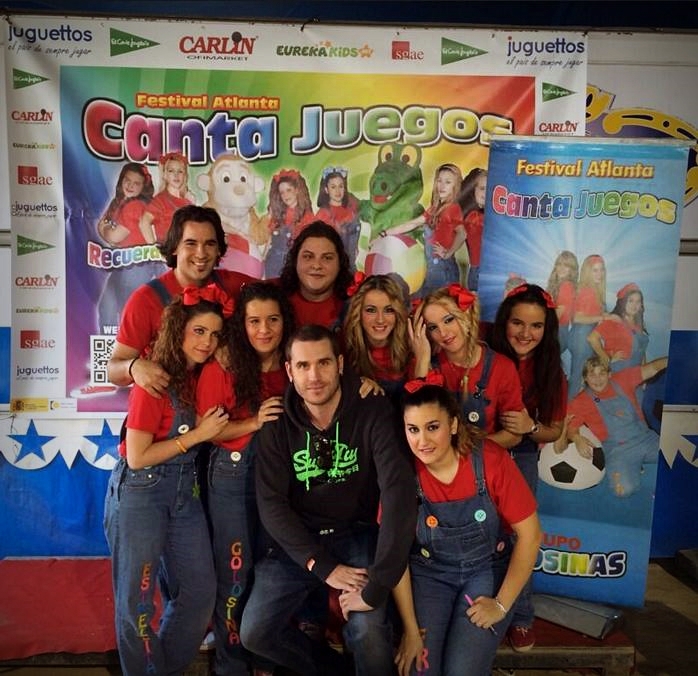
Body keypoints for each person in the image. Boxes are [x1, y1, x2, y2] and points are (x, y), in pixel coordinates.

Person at [240, 324, 416, 675]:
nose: (314, 376)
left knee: (369, 632)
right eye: (303, 366)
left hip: (356, 534)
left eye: (323, 363)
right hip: (299, 542)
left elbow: (399, 494)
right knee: (255, 632)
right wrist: (322, 566)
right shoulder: (276, 421)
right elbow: (272, 505)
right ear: (289, 370)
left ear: (340, 363)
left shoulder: (372, 408)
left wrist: (378, 586)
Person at [103, 286, 231, 675]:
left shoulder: (201, 377)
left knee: (200, 592)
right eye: (199, 331)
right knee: (138, 605)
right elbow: (138, 456)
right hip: (141, 493)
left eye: (214, 334)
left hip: (185, 492)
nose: (207, 342)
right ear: (178, 330)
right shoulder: (154, 378)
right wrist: (197, 436)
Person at [392, 380, 542, 676]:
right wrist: (409, 629)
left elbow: (531, 535)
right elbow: (393, 554)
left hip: (485, 571)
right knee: (420, 669)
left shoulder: (490, 460)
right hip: (429, 574)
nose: (423, 441)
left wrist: (500, 605)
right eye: (413, 429)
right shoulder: (401, 473)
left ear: (453, 424)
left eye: (432, 427)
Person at [196, 282, 295, 676]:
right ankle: (232, 667)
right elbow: (207, 430)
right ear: (242, 324)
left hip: (284, 480)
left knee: (274, 573)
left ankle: (266, 663)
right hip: (233, 476)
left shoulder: (296, 360)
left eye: (273, 320)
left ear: (285, 322)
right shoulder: (224, 363)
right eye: (254, 321)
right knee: (235, 575)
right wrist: (255, 421)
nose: (264, 330)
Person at [489, 283, 568, 651]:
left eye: (535, 326)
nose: (525, 333)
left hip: (519, 454)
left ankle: (520, 616)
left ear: (546, 329)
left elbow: (554, 429)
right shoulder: (485, 353)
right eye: (517, 323)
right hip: (477, 450)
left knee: (521, 536)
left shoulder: (551, 371)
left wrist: (530, 427)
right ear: (504, 322)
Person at [107, 204, 253, 398]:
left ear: (219, 249)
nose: (201, 253)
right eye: (191, 243)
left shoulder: (235, 285)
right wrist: (133, 367)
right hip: (167, 410)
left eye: (210, 244)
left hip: (220, 409)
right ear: (175, 247)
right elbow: (113, 370)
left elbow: (284, 291)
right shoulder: (146, 300)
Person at [411, 284, 524, 449]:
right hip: (436, 459)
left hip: (484, 459)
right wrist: (422, 361)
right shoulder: (424, 365)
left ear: (466, 316)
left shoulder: (502, 367)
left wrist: (468, 448)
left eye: (449, 320)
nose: (443, 333)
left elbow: (514, 435)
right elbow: (417, 423)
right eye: (433, 327)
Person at [561, 355, 667, 498]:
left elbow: (653, 367)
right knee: (623, 491)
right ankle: (633, 466)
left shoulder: (623, 379)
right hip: (618, 451)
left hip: (646, 439)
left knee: (685, 456)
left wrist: (676, 358)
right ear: (585, 378)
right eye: (592, 375)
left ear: (609, 374)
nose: (597, 379)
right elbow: (570, 428)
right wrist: (576, 438)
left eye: (602, 373)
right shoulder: (579, 402)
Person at [384, 163, 465, 297]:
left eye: (448, 182)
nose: (442, 185)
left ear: (455, 186)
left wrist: (448, 253)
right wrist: (385, 233)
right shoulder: (435, 209)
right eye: (439, 180)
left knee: (429, 302)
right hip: (433, 269)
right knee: (419, 301)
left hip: (442, 269)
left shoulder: (452, 208)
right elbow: (414, 223)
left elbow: (462, 233)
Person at [343, 273, 412, 401]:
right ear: (358, 312)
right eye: (371, 310)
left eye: (388, 310)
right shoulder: (345, 347)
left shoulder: (411, 345)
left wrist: (423, 359)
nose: (380, 320)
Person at [279, 220, 353, 333]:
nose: (317, 266)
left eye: (327, 258)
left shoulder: (355, 305)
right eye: (308, 257)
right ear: (295, 260)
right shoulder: (272, 293)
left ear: (340, 263)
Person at [568, 254, 609, 398]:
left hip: (583, 336)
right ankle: (571, 409)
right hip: (582, 337)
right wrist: (601, 317)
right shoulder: (587, 291)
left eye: (602, 270)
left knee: (582, 378)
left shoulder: (593, 290)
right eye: (595, 270)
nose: (600, 274)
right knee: (579, 379)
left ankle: (576, 408)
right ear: (587, 272)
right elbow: (576, 317)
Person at [264, 169, 315, 279]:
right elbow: (269, 241)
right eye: (282, 192)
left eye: (288, 190)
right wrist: (262, 260)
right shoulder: (278, 216)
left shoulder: (308, 217)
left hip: (293, 267)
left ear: (297, 190)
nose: (285, 195)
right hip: (272, 264)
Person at [587, 282, 648, 373]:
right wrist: (607, 358)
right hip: (619, 370)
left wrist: (645, 372)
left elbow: (642, 352)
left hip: (636, 372)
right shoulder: (614, 321)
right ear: (623, 302)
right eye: (630, 301)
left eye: (638, 301)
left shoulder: (638, 325)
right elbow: (592, 338)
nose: (634, 305)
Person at [139, 152, 194, 245]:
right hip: (168, 249)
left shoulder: (188, 202)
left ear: (185, 175)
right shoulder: (160, 200)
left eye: (180, 171)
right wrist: (154, 248)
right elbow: (144, 222)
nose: (176, 175)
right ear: (165, 175)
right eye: (171, 171)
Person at [315, 166, 361, 269]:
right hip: (332, 267)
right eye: (333, 187)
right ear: (326, 189)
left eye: (341, 186)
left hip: (350, 265)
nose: (338, 191)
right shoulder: (322, 215)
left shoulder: (352, 209)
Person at [457, 167, 487, 291]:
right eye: (482, 188)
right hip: (479, 271)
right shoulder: (473, 217)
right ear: (474, 190)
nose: (486, 193)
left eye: (491, 189)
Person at [546, 250, 579, 360]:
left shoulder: (566, 286)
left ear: (572, 270)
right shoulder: (556, 285)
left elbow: (556, 316)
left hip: (557, 333)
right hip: (556, 331)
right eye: (559, 264)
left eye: (567, 266)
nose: (562, 268)